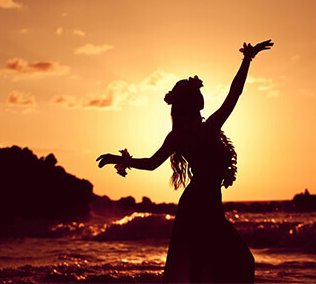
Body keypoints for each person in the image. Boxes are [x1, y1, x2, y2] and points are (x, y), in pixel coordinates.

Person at [97, 40, 273, 283]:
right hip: (198, 207)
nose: (201, 96)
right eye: (196, 94)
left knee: (223, 266)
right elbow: (151, 163)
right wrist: (120, 159)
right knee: (223, 264)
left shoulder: (208, 127)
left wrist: (247, 60)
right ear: (189, 102)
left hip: (208, 206)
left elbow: (235, 94)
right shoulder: (188, 134)